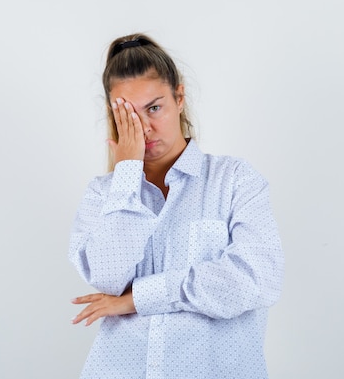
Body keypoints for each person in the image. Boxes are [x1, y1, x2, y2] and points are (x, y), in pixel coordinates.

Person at [68, 33, 284, 379]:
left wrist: (137, 298)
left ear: (179, 97)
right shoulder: (104, 194)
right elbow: (108, 279)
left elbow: (256, 279)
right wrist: (126, 174)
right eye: (128, 114)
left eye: (154, 108)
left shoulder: (235, 181)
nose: (144, 129)